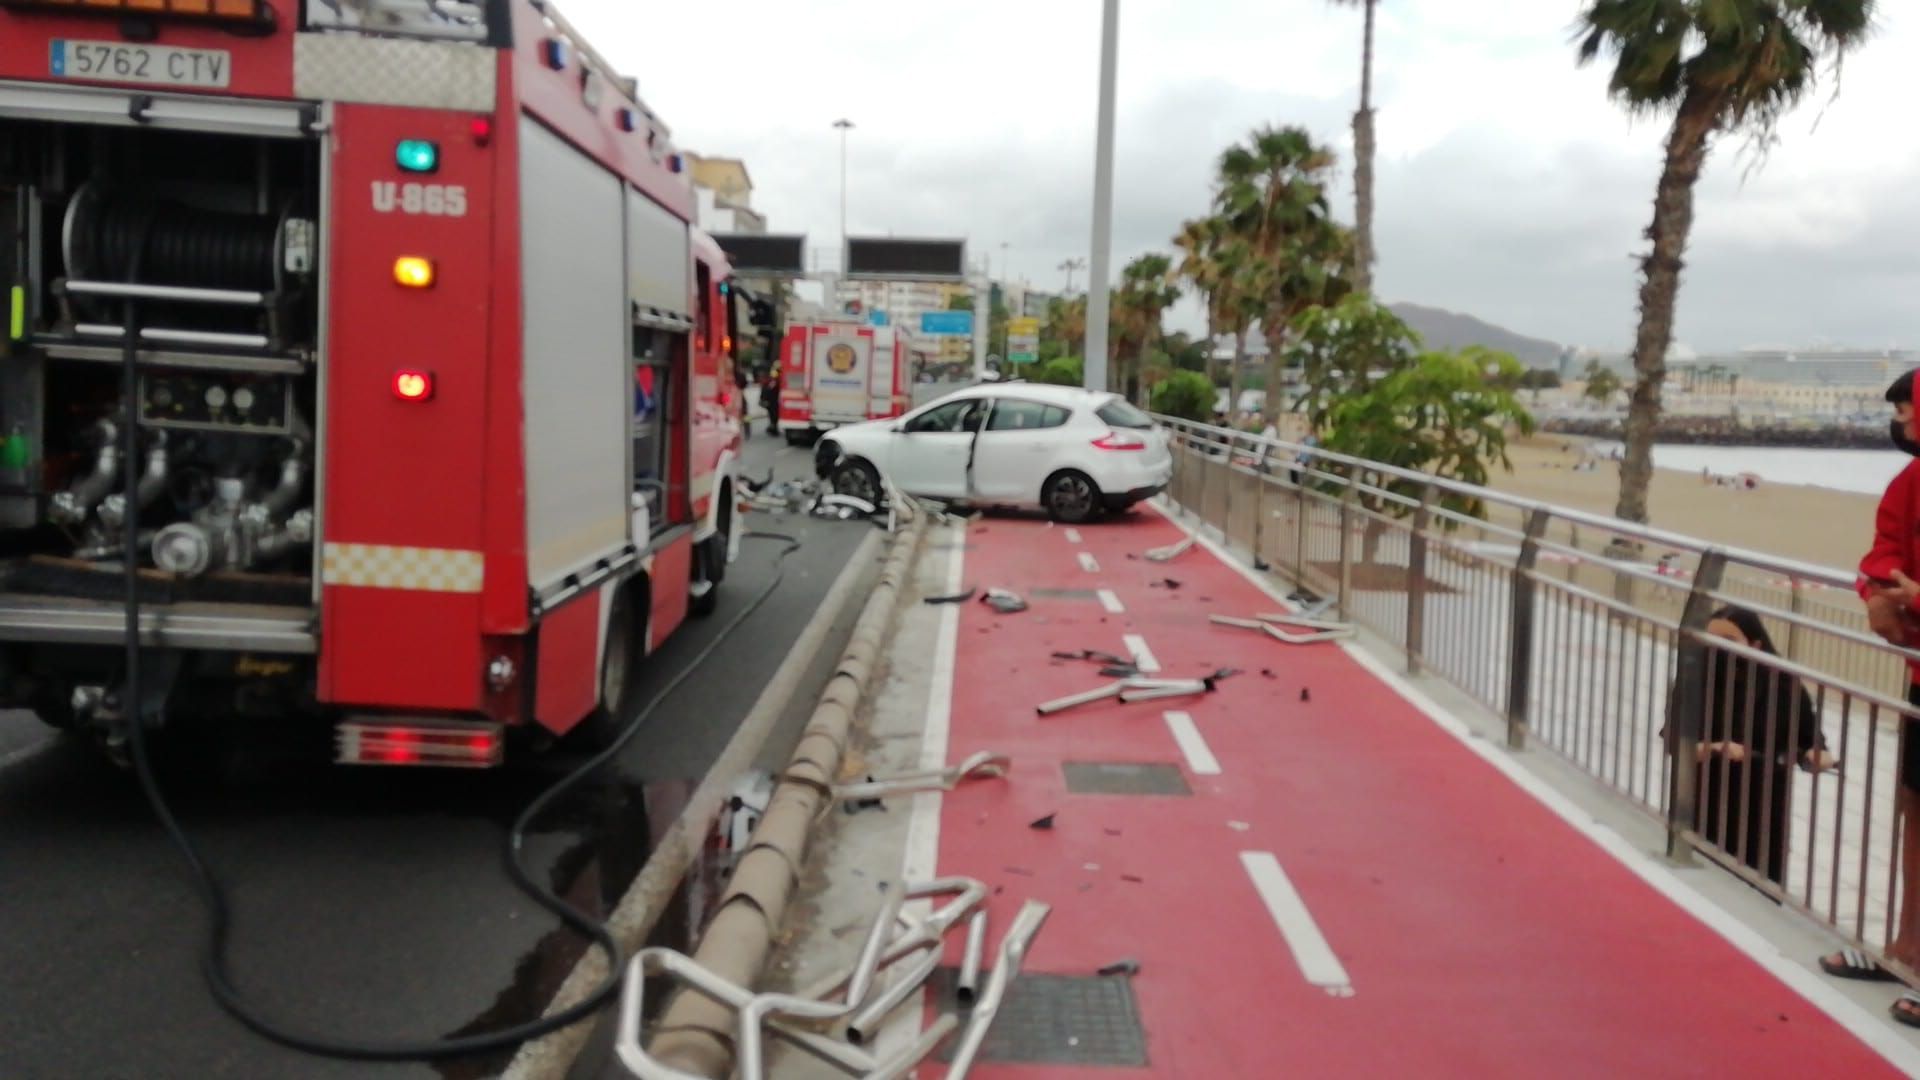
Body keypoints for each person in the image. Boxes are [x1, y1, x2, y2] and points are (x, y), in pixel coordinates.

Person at [1821, 368, 1920, 1024]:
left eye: (1907, 411)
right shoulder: (1910, 483)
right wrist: (1875, 597)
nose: (1902, 425)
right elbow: (1882, 553)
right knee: (1916, 807)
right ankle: (1906, 949)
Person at [1668, 607, 1833, 888]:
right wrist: (1715, 747)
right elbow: (1675, 745)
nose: (1717, 650)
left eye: (1729, 642)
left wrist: (1816, 753)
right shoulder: (1694, 679)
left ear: (1756, 645)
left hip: (1764, 803)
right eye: (1711, 641)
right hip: (1706, 797)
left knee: (1761, 880)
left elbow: (1809, 735)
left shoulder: (1783, 683)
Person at [759, 369, 780, 438]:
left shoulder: (770, 382)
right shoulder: (772, 383)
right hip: (772, 402)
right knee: (773, 416)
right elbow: (766, 392)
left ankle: (773, 428)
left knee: (773, 416)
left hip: (772, 402)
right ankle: (773, 428)